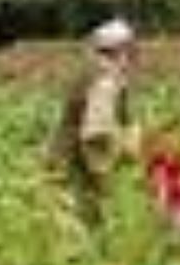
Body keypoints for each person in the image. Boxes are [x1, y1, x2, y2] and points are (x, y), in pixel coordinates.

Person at [49, 17, 140, 226]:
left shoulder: (97, 74)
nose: (132, 60)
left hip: (72, 168)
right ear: (121, 51)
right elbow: (95, 136)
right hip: (71, 173)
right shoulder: (105, 82)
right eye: (131, 52)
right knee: (76, 235)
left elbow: (122, 119)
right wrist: (113, 162)